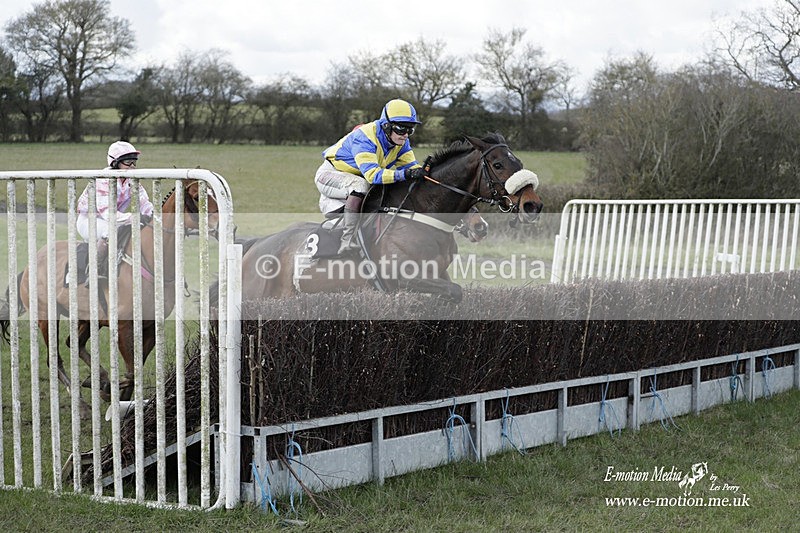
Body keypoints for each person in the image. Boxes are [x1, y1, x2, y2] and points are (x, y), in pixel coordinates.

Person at [315, 98, 427, 254]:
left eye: (410, 129)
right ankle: (347, 240)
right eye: (402, 128)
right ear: (386, 125)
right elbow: (373, 176)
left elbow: (412, 168)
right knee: (361, 185)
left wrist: (427, 173)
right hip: (330, 175)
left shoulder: (401, 142)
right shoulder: (365, 137)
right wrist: (406, 174)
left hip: (357, 178)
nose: (406, 135)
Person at [76, 140, 155, 274]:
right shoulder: (103, 180)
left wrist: (156, 215)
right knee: (110, 230)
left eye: (134, 162)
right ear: (115, 163)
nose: (132, 166)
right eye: (128, 162)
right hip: (89, 221)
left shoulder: (131, 180)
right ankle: (95, 269)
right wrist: (134, 217)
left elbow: (144, 203)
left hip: (114, 220)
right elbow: (108, 214)